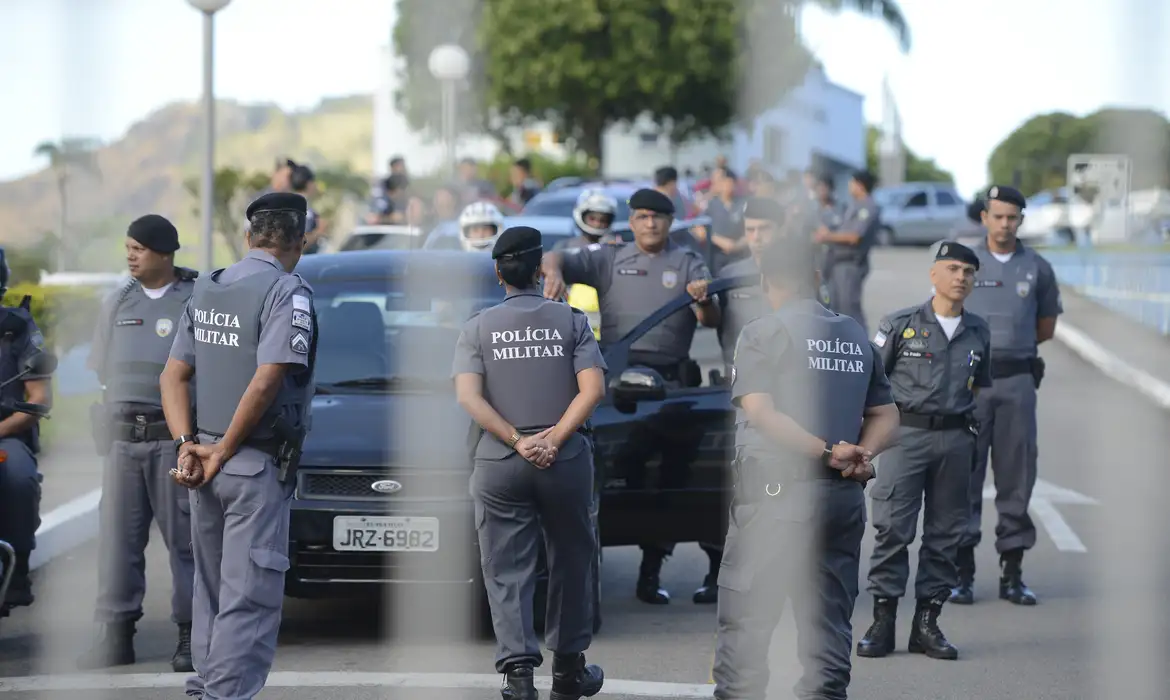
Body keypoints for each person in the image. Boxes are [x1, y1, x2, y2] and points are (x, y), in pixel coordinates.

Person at [712, 235, 900, 700]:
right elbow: (887, 415)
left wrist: (825, 451)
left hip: (779, 496)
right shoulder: (855, 334)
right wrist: (862, 455)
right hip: (841, 498)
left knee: (748, 618)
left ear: (764, 280)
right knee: (828, 620)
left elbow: (761, 410)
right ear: (816, 279)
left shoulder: (762, 332)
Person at [160, 191, 317, 700]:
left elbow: (173, 375)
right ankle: (225, 694)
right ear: (298, 241)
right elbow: (269, 377)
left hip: (200, 466)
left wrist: (188, 444)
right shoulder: (287, 291)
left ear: (249, 237)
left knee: (211, 590)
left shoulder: (208, 287)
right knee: (249, 593)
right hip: (249, 464)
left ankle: (206, 685)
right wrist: (225, 447)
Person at [542, 188, 723, 606]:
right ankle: (637, 570)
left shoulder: (688, 261)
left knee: (687, 476)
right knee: (627, 475)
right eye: (641, 216)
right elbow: (558, 257)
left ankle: (702, 571)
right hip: (618, 379)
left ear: (670, 220)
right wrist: (552, 271)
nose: (649, 224)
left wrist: (704, 299)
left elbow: (712, 319)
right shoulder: (611, 256)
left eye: (658, 217)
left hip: (672, 382)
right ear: (633, 219)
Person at [452, 225, 606, 700]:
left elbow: (468, 398)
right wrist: (554, 440)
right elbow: (593, 390)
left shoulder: (477, 326)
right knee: (573, 562)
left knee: (505, 568)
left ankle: (519, 677)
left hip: (500, 461)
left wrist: (519, 441)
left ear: (498, 272)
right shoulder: (572, 320)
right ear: (541, 270)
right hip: (565, 461)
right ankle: (568, 671)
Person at [856, 242, 992, 662]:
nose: (961, 277)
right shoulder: (900, 324)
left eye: (969, 271)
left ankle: (927, 625)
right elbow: (871, 383)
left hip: (955, 440)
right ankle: (882, 622)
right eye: (952, 268)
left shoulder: (979, 331)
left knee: (945, 535)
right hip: (905, 436)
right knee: (893, 529)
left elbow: (979, 387)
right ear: (933, 275)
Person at [78, 215, 199, 672]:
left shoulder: (195, 299)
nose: (130, 255)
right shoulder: (117, 302)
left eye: (139, 248)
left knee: (186, 544)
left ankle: (190, 638)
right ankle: (116, 636)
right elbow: (103, 372)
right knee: (116, 543)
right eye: (127, 247)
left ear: (165, 253)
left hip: (173, 442)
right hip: (123, 442)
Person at [951, 185, 1062, 607]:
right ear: (984, 218)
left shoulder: (1037, 267)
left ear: (1020, 220)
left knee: (1017, 475)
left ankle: (1012, 573)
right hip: (970, 384)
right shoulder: (964, 264)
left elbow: (1046, 326)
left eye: (1012, 217)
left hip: (1017, 383)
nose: (1004, 224)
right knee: (966, 475)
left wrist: (1010, 348)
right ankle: (961, 573)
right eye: (997, 216)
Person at [0, 248, 51, 617]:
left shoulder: (17, 328)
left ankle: (17, 570)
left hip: (7, 433)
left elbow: (39, 398)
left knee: (19, 478)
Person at [716, 197, 786, 377]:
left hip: (787, 377)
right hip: (739, 377)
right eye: (750, 230)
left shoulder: (800, 274)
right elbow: (716, 322)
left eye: (764, 229)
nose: (756, 238)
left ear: (781, 230)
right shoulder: (729, 276)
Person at [815, 170, 881, 331]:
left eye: (852, 183)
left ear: (860, 185)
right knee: (836, 308)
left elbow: (854, 236)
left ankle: (862, 348)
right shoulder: (854, 205)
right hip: (837, 264)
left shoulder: (868, 206)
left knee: (849, 309)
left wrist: (827, 236)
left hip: (850, 264)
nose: (849, 187)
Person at [554, 190, 621, 340]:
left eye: (603, 219)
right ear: (582, 215)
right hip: (571, 322)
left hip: (606, 322)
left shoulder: (616, 247)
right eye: (592, 218)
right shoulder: (563, 248)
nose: (597, 223)